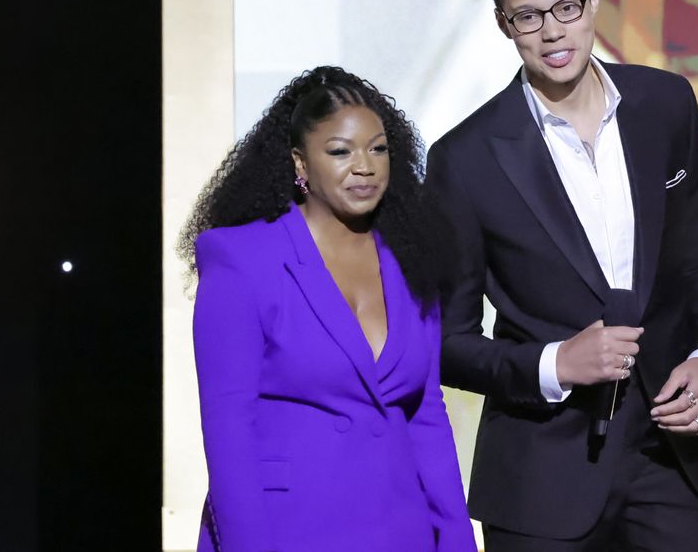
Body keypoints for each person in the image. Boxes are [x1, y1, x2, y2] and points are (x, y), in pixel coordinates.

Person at [425, 0, 698, 551]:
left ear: (593, 1)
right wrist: (555, 363)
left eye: (566, 7)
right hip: (542, 477)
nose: (553, 31)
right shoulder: (465, 158)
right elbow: (445, 343)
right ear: (503, 24)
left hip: (674, 459)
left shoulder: (666, 104)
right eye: (529, 16)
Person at [180, 66, 476, 552]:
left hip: (400, 530)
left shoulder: (412, 259)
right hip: (289, 528)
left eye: (378, 148)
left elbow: (426, 416)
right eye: (340, 151)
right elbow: (229, 431)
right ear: (300, 163)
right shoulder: (243, 260)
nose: (365, 166)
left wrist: (457, 537)